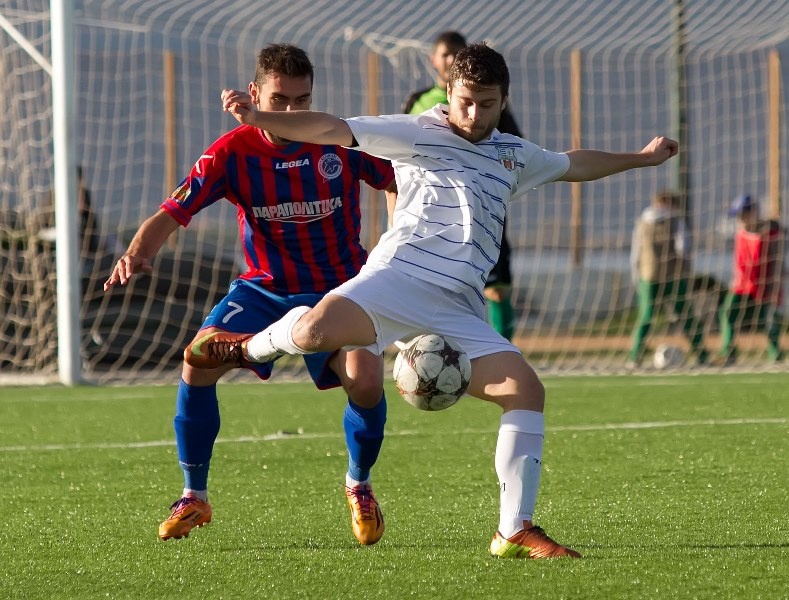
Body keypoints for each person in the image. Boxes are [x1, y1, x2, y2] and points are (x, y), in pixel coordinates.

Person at [201, 42, 679, 559]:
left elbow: (573, 163)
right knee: (315, 333)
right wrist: (260, 117)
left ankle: (514, 529)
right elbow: (330, 128)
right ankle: (247, 350)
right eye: (465, 101)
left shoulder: (514, 155)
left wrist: (641, 158)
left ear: (503, 102)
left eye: (487, 104)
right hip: (394, 280)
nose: (473, 115)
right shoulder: (414, 131)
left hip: (458, 306)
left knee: (526, 392)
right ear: (448, 93)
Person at [104, 44, 396, 545]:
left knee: (364, 381)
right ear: (256, 93)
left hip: (343, 287)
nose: (290, 111)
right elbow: (174, 211)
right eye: (279, 100)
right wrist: (137, 251)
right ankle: (194, 495)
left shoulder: (339, 140)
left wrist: (394, 242)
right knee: (196, 362)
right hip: (265, 288)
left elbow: (394, 179)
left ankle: (359, 485)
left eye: (301, 100)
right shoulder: (231, 151)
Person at [403, 31, 518, 340]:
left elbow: (514, 152)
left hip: (481, 210)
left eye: (456, 53)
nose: (450, 59)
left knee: (495, 289)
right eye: (444, 54)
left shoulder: (492, 106)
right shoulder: (418, 103)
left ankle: (502, 348)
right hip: (429, 214)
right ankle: (424, 352)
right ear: (433, 59)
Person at [627, 190, 709, 367]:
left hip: (648, 275)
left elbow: (635, 254)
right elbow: (683, 248)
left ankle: (634, 358)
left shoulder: (642, 222)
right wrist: (686, 269)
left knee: (647, 317)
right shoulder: (676, 221)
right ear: (670, 204)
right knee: (685, 316)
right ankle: (702, 355)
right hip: (674, 276)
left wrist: (636, 276)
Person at [717, 194, 785, 364]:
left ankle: (776, 354)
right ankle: (728, 353)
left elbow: (777, 262)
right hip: (741, 285)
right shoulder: (741, 233)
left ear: (754, 212)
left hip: (764, 285)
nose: (740, 220)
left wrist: (774, 284)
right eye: (739, 216)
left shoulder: (771, 234)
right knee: (728, 313)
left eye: (743, 215)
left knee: (768, 320)